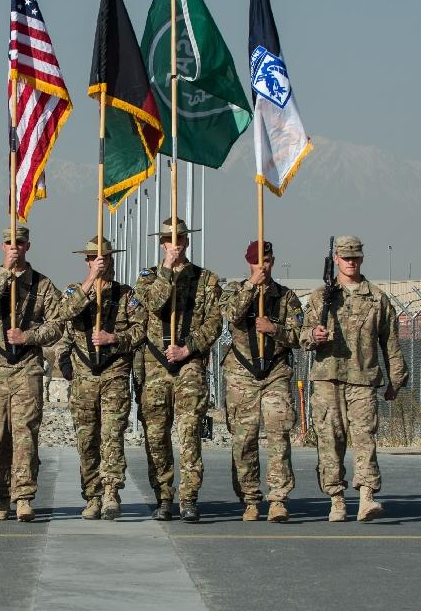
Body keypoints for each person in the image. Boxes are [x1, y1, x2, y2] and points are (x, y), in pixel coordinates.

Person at [301, 235, 407, 523]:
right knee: (329, 440)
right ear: (336, 259)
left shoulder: (377, 298)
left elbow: (391, 342)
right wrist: (313, 335)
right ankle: (336, 500)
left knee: (364, 440)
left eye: (355, 257)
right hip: (327, 379)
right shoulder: (321, 296)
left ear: (361, 259)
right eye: (345, 257)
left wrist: (396, 379)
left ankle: (366, 498)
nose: (350, 262)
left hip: (362, 378)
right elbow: (302, 335)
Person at [0, 225, 62, 522]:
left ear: (28, 246)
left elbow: (58, 322)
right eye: (10, 243)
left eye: (20, 243)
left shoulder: (42, 284)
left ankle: (23, 496)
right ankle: (0, 495)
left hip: (26, 367)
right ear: (2, 246)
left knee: (25, 434)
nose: (15, 248)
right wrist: (4, 275)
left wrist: (29, 336)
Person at [135, 217, 223, 523]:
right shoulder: (147, 278)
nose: (176, 244)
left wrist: (189, 347)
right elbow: (154, 306)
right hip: (156, 366)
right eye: (170, 240)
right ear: (162, 244)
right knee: (156, 435)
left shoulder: (206, 279)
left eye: (181, 239)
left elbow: (215, 321)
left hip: (189, 363)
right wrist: (167, 272)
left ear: (187, 242)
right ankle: (163, 496)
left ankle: (189, 497)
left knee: (188, 434)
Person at [52, 236, 145, 520]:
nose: (99, 262)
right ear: (87, 262)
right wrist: (91, 280)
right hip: (84, 378)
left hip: (114, 373)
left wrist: (114, 337)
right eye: (93, 259)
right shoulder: (73, 291)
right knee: (87, 439)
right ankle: (91, 494)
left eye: (103, 258)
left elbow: (141, 331)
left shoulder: (127, 295)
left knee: (112, 437)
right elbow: (65, 313)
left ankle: (110, 493)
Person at [220, 240, 304, 523]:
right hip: (242, 375)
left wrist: (274, 329)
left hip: (275, 373)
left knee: (279, 434)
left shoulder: (285, 297)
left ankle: (278, 498)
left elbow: (298, 336)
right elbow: (232, 315)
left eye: (266, 261)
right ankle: (250, 498)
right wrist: (251, 287)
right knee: (244, 439)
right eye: (257, 262)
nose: (262, 267)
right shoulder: (234, 289)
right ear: (248, 263)